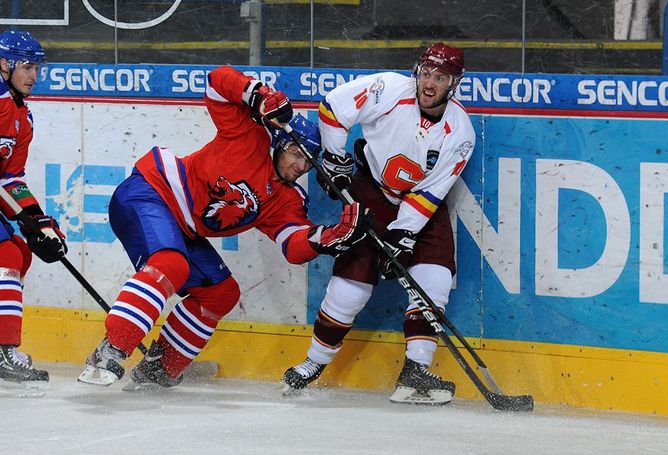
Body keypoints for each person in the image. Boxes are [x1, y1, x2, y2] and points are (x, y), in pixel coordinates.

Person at [78, 65, 371, 388]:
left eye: (307, 161)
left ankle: (158, 368)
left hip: (184, 229)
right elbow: (217, 82)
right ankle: (111, 350)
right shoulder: (249, 134)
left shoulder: (286, 199)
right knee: (170, 263)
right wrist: (258, 94)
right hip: (151, 192)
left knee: (221, 293)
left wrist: (327, 237)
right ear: (279, 143)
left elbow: (293, 245)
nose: (300, 166)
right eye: (296, 154)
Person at [283, 42, 476, 405]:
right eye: (426, 73)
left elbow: (431, 192)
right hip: (370, 192)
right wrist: (336, 157)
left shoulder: (460, 132)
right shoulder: (388, 89)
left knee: (433, 281)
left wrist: (404, 233)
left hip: (421, 208)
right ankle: (314, 361)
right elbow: (333, 107)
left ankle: (415, 373)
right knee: (349, 290)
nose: (429, 84)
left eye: (440, 77)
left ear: (454, 83)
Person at [0, 30, 68, 386]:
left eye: (36, 67)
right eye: (26, 66)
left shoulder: (21, 117)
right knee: (8, 257)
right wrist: (23, 217)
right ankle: (5, 350)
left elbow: (11, 178)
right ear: (4, 65)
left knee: (20, 256)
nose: (33, 75)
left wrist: (39, 222)